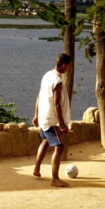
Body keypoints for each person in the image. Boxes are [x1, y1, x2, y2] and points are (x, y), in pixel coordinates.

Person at [32, 53, 71, 187]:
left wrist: (36, 115)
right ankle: (55, 179)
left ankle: (36, 168)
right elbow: (57, 104)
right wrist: (62, 124)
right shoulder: (57, 81)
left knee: (46, 141)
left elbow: (39, 97)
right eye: (68, 66)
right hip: (51, 120)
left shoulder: (47, 75)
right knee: (59, 146)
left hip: (44, 116)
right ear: (64, 65)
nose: (68, 69)